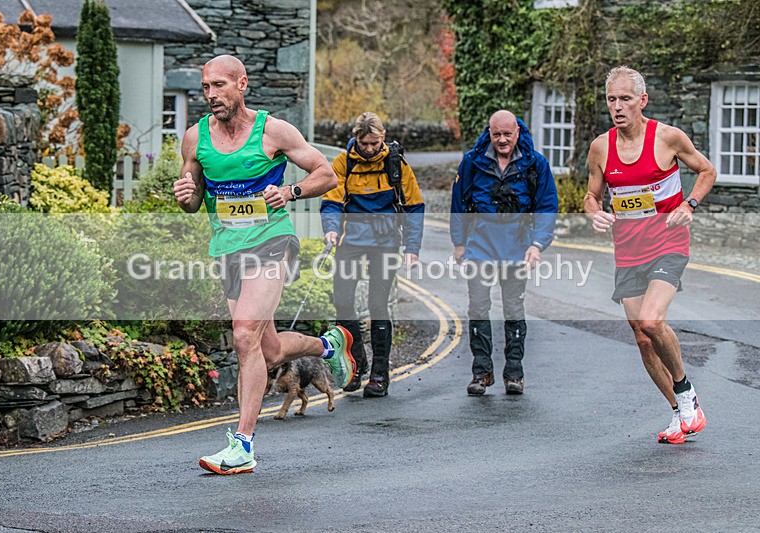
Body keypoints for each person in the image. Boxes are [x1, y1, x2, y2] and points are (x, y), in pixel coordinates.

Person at [173, 55, 356, 475]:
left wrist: (290, 191)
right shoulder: (194, 138)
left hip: (273, 241)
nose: (211, 95)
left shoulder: (273, 131)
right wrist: (186, 197)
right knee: (267, 349)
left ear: (242, 84)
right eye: (205, 87)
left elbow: (326, 174)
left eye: (219, 85)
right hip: (228, 248)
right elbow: (194, 199)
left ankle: (242, 445)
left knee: (242, 336)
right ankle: (327, 345)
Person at [584, 66, 716, 444]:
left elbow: (706, 170)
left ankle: (687, 393)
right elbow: (591, 196)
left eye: (625, 98)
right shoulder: (600, 147)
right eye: (612, 99)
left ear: (642, 101)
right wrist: (596, 213)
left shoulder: (668, 138)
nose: (618, 106)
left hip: (668, 243)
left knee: (652, 320)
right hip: (628, 250)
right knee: (642, 337)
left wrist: (689, 204)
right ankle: (679, 413)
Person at [450, 110, 558, 396]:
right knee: (478, 307)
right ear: (489, 131)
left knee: (513, 309)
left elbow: (547, 206)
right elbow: (458, 203)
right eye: (496, 134)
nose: (501, 140)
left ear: (517, 133)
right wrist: (459, 243)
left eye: (507, 134)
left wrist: (537, 244)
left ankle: (514, 373)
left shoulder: (536, 163)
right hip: (480, 247)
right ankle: (481, 372)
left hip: (517, 249)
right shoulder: (472, 162)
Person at [320, 112, 425, 397]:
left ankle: (380, 373)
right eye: (363, 143)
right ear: (355, 139)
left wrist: (412, 248)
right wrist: (330, 230)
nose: (369, 148)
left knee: (378, 304)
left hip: (385, 241)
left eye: (374, 142)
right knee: (342, 302)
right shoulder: (343, 163)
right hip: (350, 240)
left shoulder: (396, 164)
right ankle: (356, 364)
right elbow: (331, 201)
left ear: (383, 137)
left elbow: (414, 206)